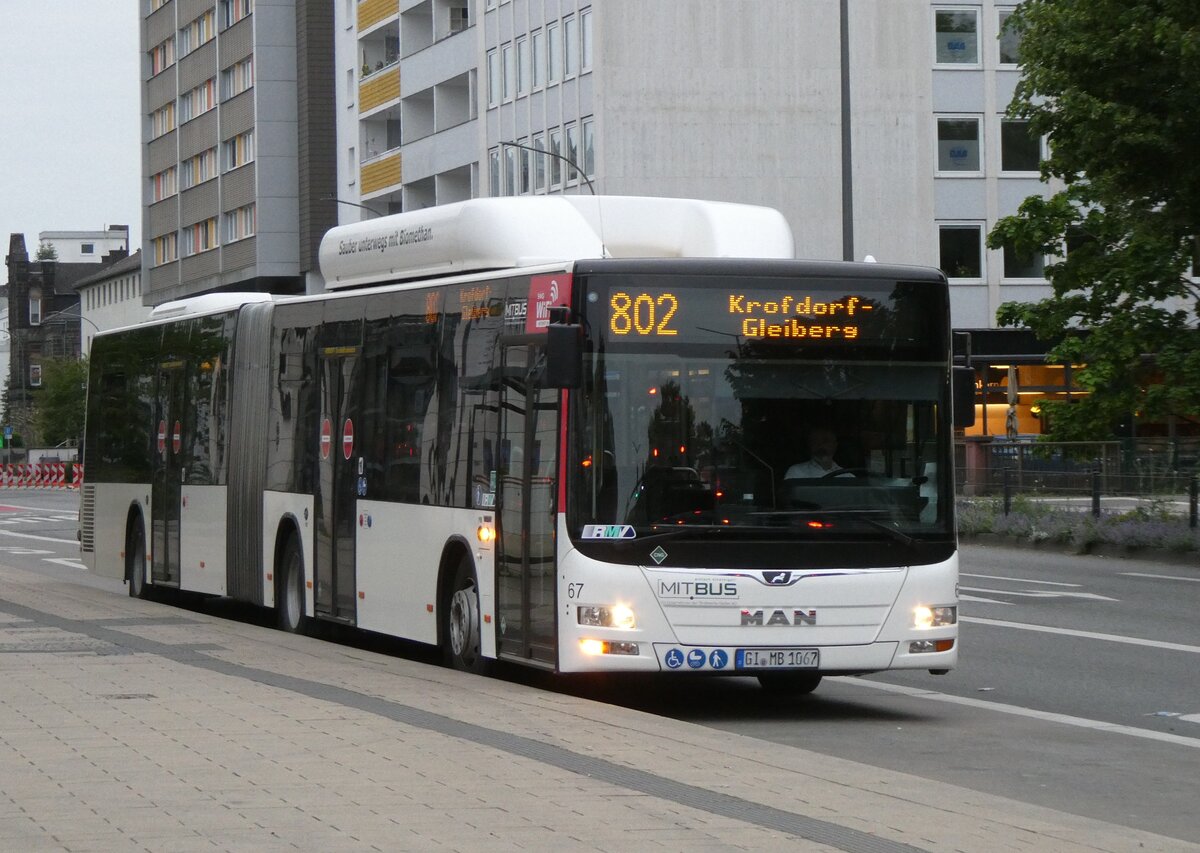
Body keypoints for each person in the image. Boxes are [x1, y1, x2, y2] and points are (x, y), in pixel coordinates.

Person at [785, 425, 850, 478]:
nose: (821, 445)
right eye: (815, 441)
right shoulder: (796, 472)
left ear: (835, 445)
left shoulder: (847, 476)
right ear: (810, 445)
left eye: (825, 441)